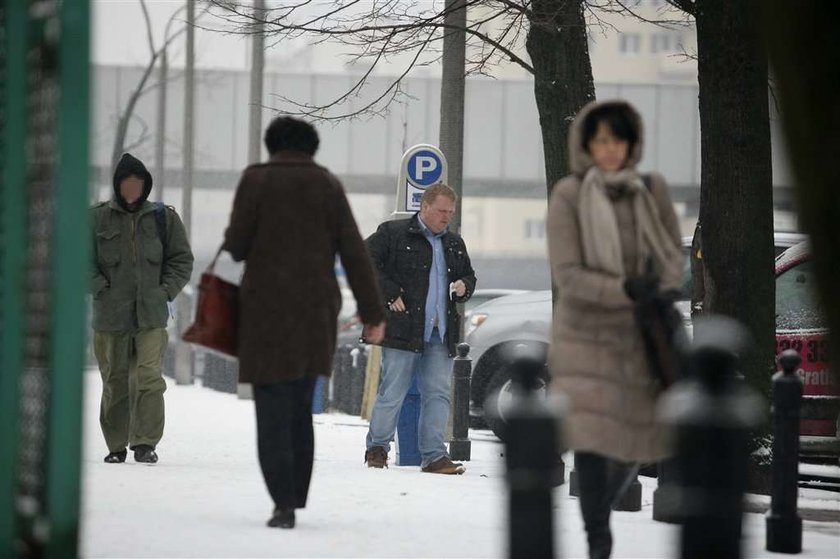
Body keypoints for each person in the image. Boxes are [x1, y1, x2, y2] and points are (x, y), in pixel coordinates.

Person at [223, 116, 386, 529]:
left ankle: (283, 503)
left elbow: (238, 246)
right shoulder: (327, 185)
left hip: (265, 314)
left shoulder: (256, 180)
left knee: (271, 410)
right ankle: (296, 491)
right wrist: (372, 313)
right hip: (314, 313)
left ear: (272, 145)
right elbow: (354, 252)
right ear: (311, 147)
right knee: (299, 408)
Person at [546, 100, 684, 559]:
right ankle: (597, 537)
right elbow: (568, 274)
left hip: (641, 337)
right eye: (601, 139)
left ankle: (601, 508)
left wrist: (655, 288)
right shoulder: (569, 194)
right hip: (585, 336)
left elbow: (671, 260)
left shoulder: (651, 188)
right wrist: (624, 288)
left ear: (631, 144)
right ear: (587, 144)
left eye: (618, 139)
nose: (609, 149)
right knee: (590, 438)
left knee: (633, 445)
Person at [364, 183, 477, 474]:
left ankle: (434, 456)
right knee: (393, 390)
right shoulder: (394, 233)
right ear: (424, 207)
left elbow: (468, 276)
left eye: (450, 212)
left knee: (438, 393)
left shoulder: (454, 243)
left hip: (440, 332)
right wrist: (389, 292)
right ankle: (377, 448)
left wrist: (464, 286)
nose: (446, 217)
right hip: (403, 328)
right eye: (441, 210)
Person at [91, 153, 194, 465]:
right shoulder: (96, 219)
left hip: (151, 316)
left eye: (138, 183)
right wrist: (100, 289)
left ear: (146, 185)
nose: (132, 189)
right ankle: (116, 444)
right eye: (127, 184)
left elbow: (181, 260)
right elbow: (78, 260)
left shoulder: (164, 219)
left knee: (149, 379)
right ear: (117, 186)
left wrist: (165, 290)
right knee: (115, 381)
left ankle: (145, 443)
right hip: (110, 317)